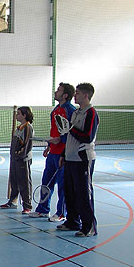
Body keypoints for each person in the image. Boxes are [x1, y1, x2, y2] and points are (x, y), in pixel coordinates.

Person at [29, 83, 76, 222]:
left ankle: (61, 213)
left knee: (63, 185)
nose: (56, 92)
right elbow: (54, 130)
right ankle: (43, 210)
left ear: (65, 95)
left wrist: (60, 141)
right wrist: (49, 146)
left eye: (59, 90)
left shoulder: (70, 111)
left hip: (64, 153)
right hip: (52, 153)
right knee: (46, 182)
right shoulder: (55, 110)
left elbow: (71, 132)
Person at [57, 83, 99, 237]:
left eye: (78, 93)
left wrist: (71, 128)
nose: (75, 95)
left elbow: (87, 137)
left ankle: (89, 226)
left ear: (86, 96)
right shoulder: (76, 113)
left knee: (83, 194)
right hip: (70, 158)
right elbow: (69, 137)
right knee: (70, 193)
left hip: (83, 159)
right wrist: (63, 154)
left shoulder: (91, 113)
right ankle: (72, 221)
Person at [0, 106, 34, 214]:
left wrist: (19, 155)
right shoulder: (19, 128)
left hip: (22, 160)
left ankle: (27, 206)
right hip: (14, 159)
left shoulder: (28, 127)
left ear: (24, 115)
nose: (16, 116)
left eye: (18, 114)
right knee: (14, 181)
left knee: (24, 183)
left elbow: (27, 146)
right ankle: (13, 201)